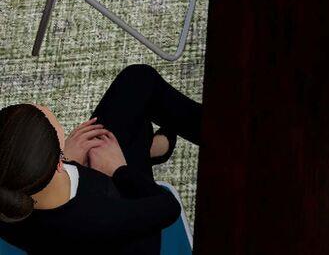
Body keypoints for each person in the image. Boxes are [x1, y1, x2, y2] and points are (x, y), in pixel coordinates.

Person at [0, 63, 200, 254]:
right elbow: (168, 207)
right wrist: (121, 171)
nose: (42, 107)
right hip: (128, 230)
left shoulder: (10, 194)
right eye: (48, 122)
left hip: (71, 200)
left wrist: (67, 161)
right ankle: (157, 147)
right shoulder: (102, 216)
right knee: (135, 121)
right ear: (58, 163)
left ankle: (148, 149)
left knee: (137, 81)